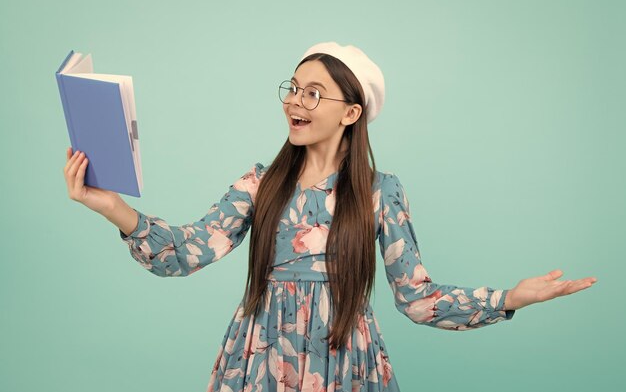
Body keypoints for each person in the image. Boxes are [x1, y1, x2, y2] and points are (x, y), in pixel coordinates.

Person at [63, 41, 597, 392]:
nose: (296, 100)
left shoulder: (379, 193)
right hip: (260, 358)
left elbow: (418, 298)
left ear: (351, 112)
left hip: (343, 359)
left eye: (313, 93)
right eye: (293, 88)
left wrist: (507, 299)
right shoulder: (259, 183)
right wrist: (111, 206)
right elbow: (184, 252)